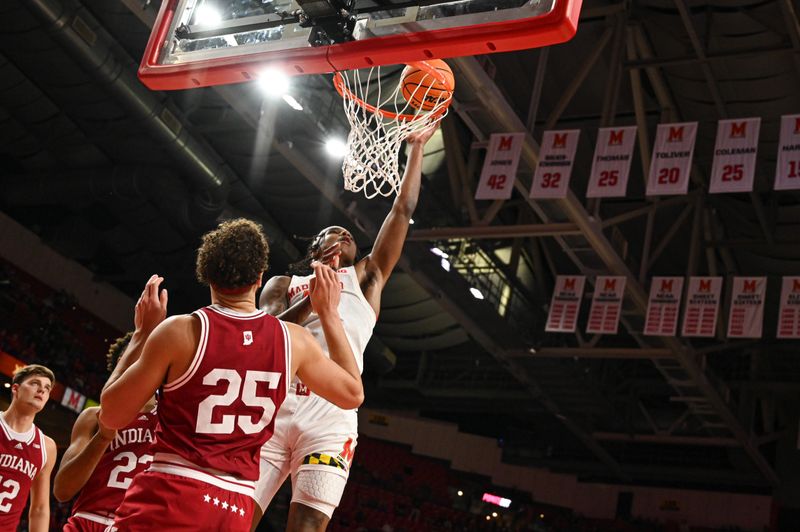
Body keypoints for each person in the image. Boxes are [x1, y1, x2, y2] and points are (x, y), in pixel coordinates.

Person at [99, 218, 363, 531]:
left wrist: (142, 334)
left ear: (206, 276)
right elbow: (352, 395)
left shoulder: (181, 332)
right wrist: (329, 315)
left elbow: (112, 416)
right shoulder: (294, 341)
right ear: (260, 277)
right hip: (233, 507)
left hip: (173, 493)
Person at [253, 126, 437, 531]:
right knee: (233, 520)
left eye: (350, 235)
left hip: (331, 414)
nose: (344, 236)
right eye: (333, 232)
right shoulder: (283, 285)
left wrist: (417, 149)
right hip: (274, 406)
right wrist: (314, 301)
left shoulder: (367, 279)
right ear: (315, 248)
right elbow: (267, 340)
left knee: (306, 526)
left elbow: (401, 211)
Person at [56, 283, 165, 532]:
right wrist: (103, 437)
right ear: (122, 364)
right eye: (137, 355)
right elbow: (63, 490)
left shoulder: (171, 418)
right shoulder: (92, 417)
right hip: (88, 521)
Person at [0, 364, 57, 531]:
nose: (41, 390)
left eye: (46, 388)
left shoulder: (47, 446)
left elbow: (39, 509)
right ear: (16, 389)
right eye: (34, 383)